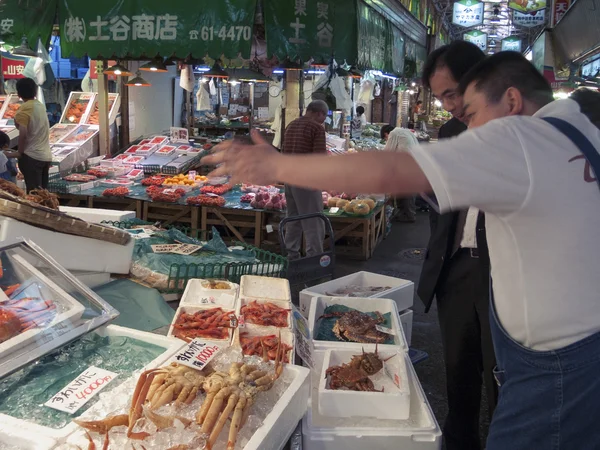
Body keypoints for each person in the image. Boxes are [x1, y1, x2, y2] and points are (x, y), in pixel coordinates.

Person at [204, 52, 600, 450]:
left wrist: (277, 167)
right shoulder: (581, 128)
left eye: (474, 113)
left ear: (512, 102)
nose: (467, 125)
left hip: (558, 370)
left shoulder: (524, 138)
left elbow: (394, 170)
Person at [419, 41, 496, 450]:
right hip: (457, 267)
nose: (447, 105)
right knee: (458, 370)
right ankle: (459, 442)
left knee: (502, 372)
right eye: (440, 97)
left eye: (452, 93)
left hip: (502, 272)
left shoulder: (518, 131)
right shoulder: (449, 132)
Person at [281, 100, 328, 260]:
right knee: (313, 222)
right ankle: (314, 260)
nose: (324, 119)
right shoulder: (317, 128)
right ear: (319, 113)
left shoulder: (291, 125)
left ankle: (291, 255)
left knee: (293, 218)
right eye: (325, 116)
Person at [5, 77, 52, 192]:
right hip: (45, 156)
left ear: (19, 94)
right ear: (35, 91)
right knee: (43, 194)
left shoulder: (25, 109)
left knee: (34, 194)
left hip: (32, 158)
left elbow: (23, 133)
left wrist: (19, 152)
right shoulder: (40, 106)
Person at [384, 128, 419, 222]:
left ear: (386, 134)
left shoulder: (393, 133)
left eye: (385, 139)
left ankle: (409, 215)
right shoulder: (405, 132)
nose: (386, 140)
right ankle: (404, 214)